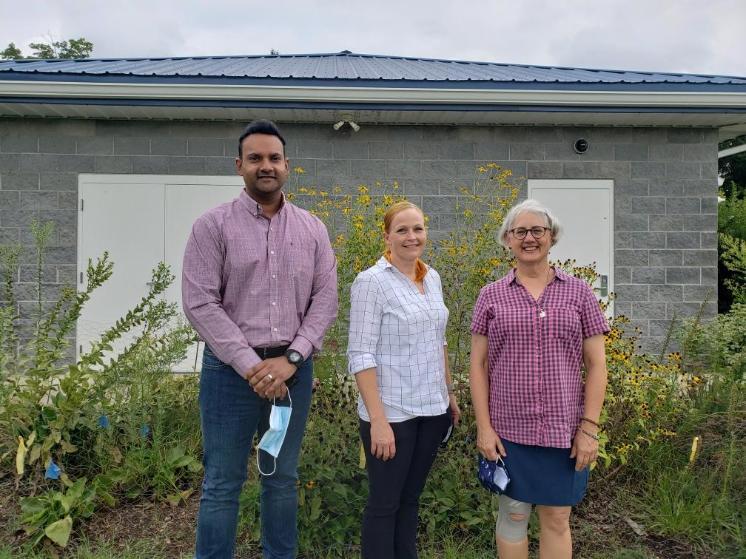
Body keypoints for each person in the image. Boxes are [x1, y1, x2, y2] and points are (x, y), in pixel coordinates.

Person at [182, 119, 338, 559]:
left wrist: (292, 358)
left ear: (288, 166)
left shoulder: (312, 229)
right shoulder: (211, 227)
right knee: (222, 481)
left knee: (281, 477)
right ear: (239, 166)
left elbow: (325, 300)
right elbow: (200, 302)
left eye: (273, 158)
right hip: (230, 377)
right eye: (255, 159)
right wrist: (251, 366)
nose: (265, 166)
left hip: (292, 374)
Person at [469, 199, 609, 559]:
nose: (529, 238)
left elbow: (597, 366)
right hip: (508, 431)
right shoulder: (491, 295)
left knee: (558, 518)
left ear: (551, 237)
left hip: (564, 431)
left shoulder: (579, 292)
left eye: (537, 230)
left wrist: (589, 428)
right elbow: (478, 367)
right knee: (513, 515)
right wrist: (484, 428)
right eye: (520, 232)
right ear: (508, 240)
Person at [347, 201, 462, 559]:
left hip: (432, 408)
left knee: (410, 500)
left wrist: (450, 394)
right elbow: (360, 355)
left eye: (418, 229)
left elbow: (438, 341)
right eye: (402, 230)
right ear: (387, 236)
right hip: (392, 414)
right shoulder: (371, 283)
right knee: (384, 504)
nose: (412, 237)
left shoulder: (433, 277)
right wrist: (378, 421)